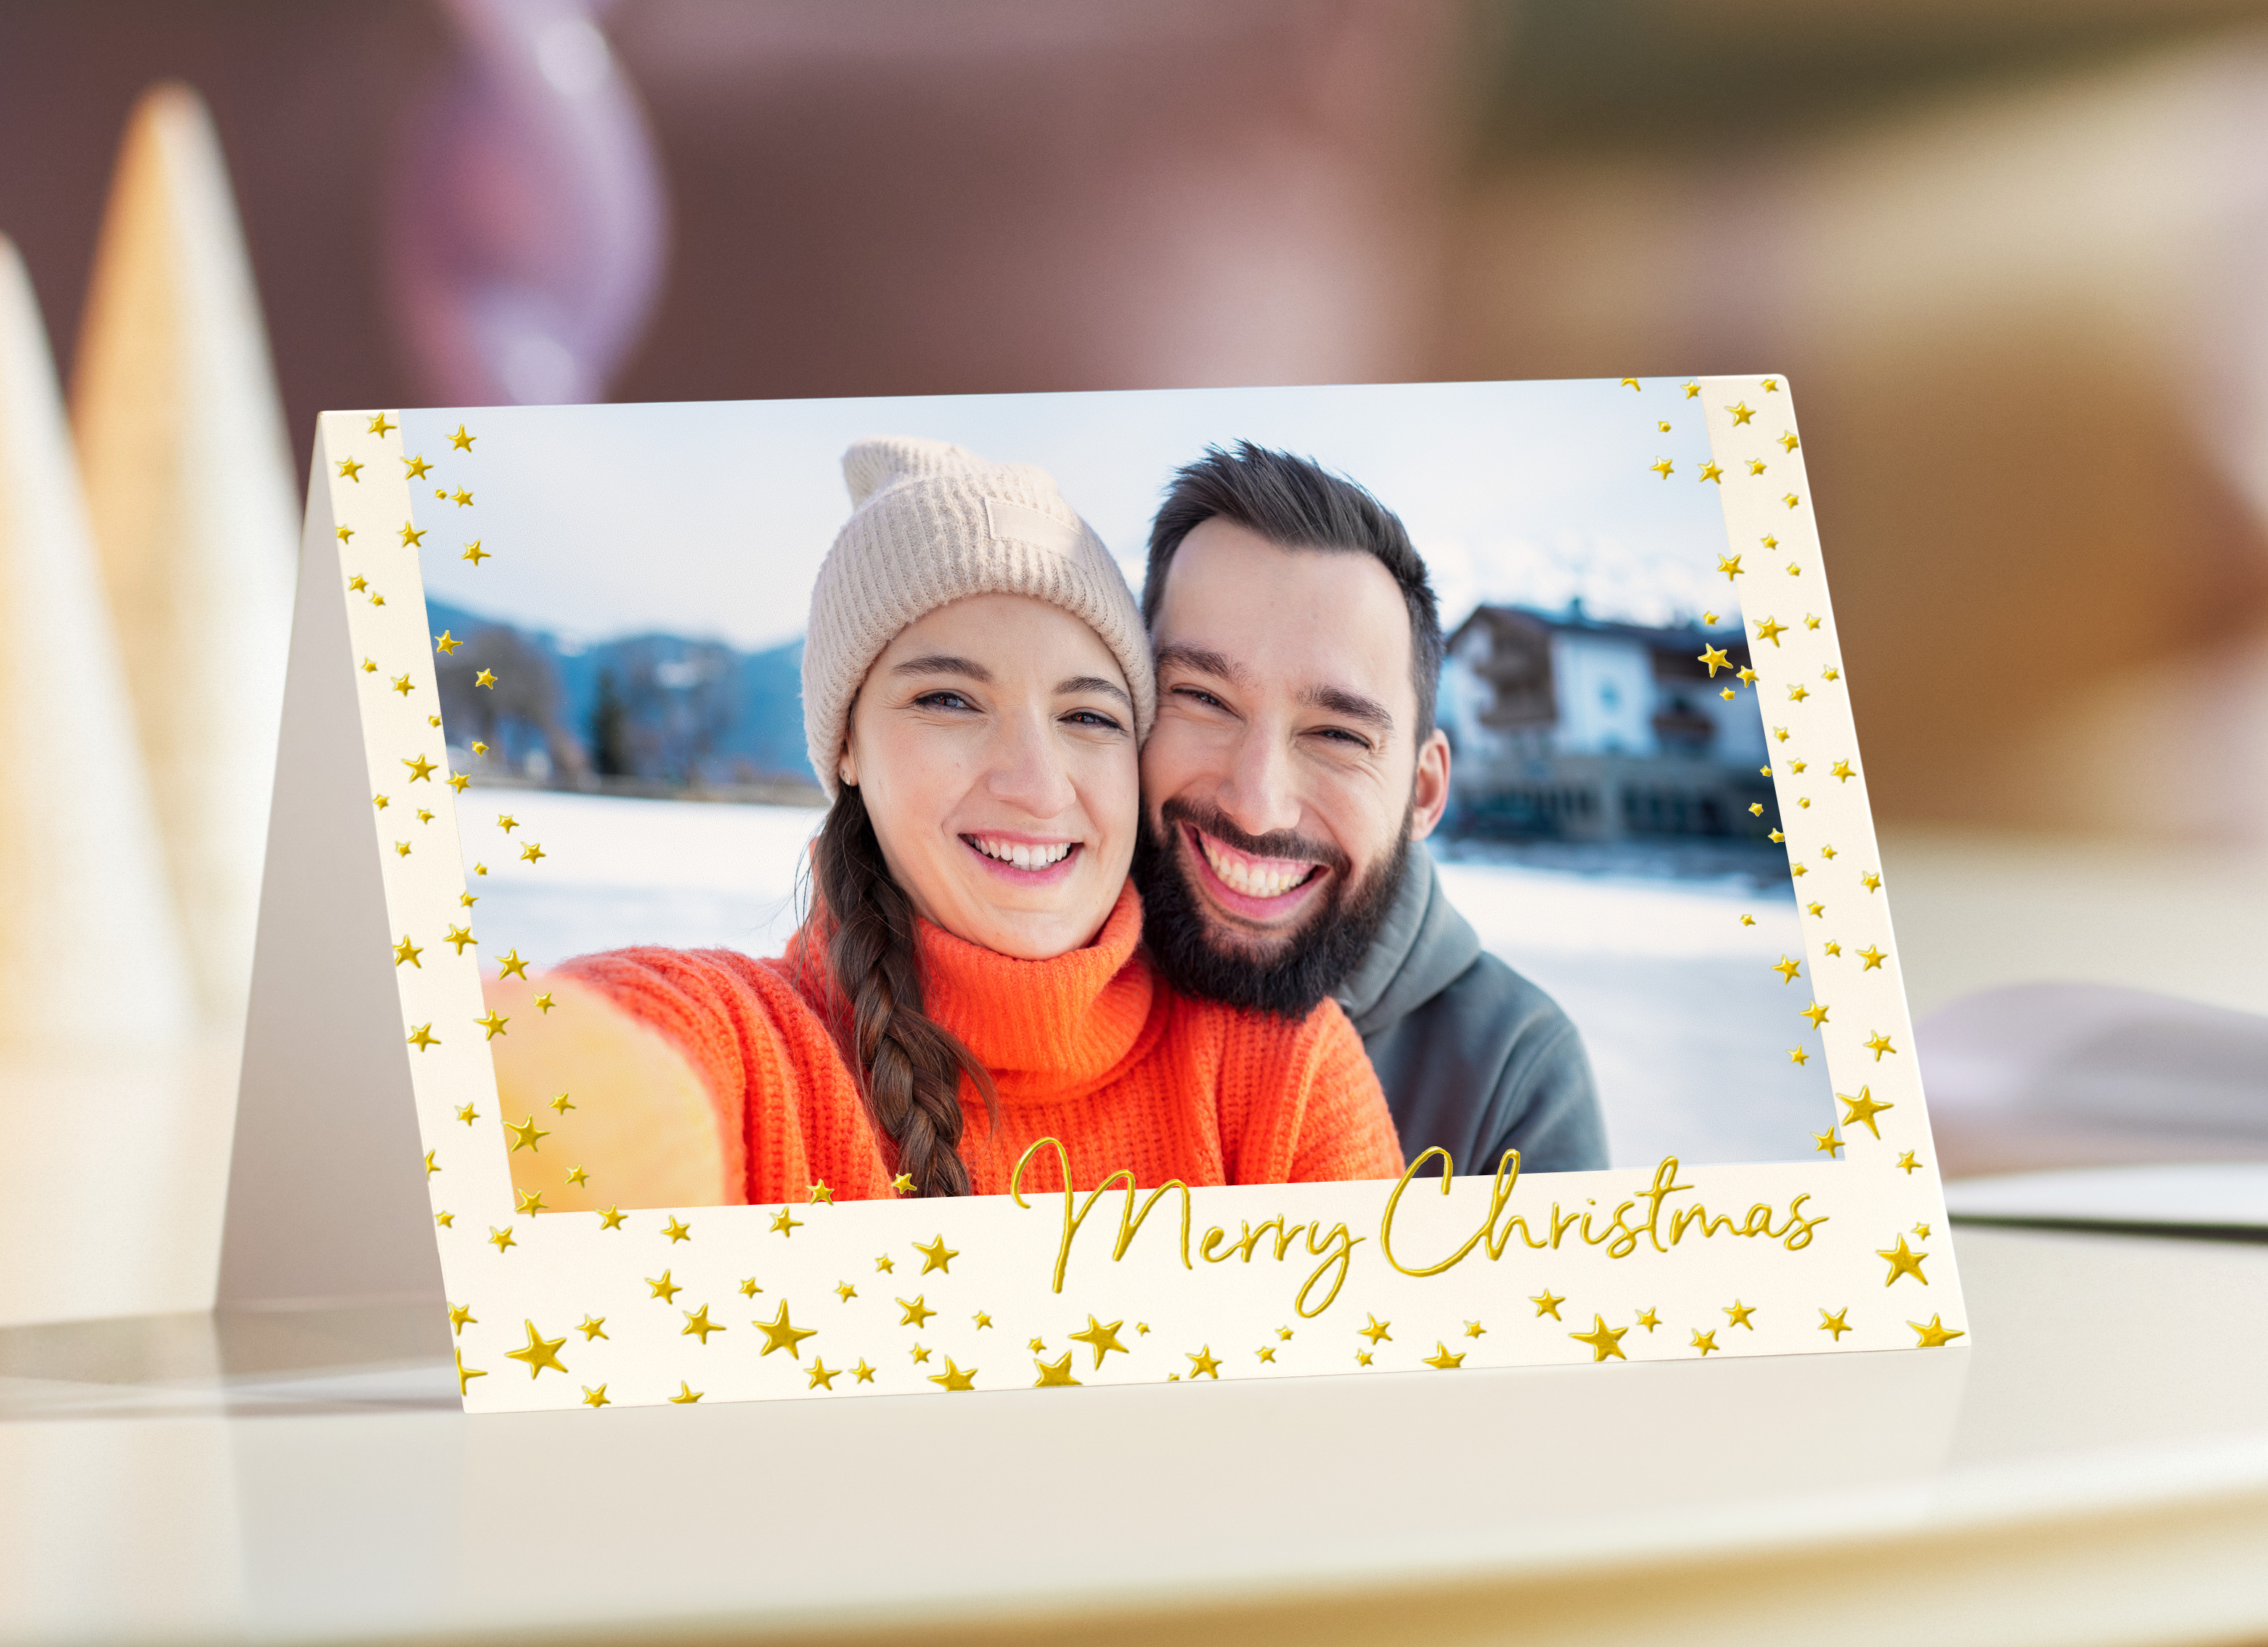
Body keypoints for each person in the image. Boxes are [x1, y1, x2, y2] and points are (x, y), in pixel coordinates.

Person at [497, 437, 1396, 1211]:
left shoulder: (1278, 1076)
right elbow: (565, 1088)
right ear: (847, 744)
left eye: (1088, 715)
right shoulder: (748, 1055)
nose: (1036, 786)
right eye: (949, 700)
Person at [1131, 441, 1609, 1186]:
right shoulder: (999, 976)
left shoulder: (1511, 1078)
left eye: (1337, 735)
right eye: (1202, 699)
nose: (1257, 807)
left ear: (1424, 792)